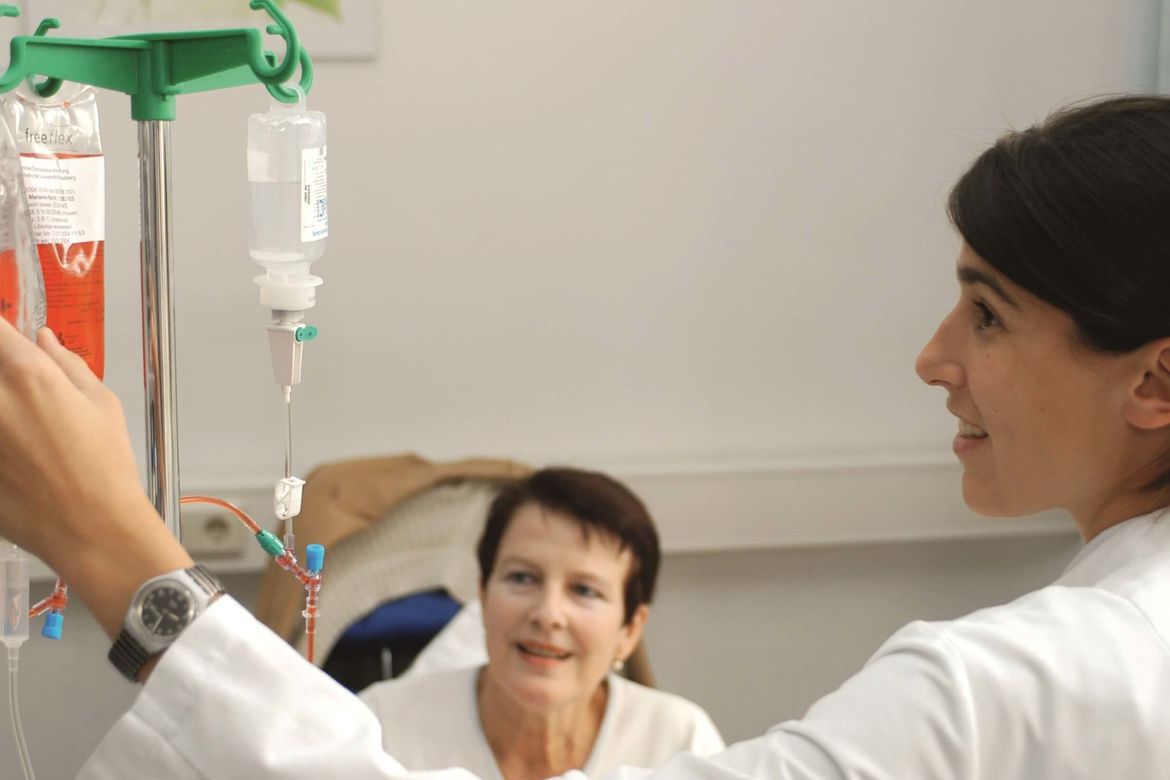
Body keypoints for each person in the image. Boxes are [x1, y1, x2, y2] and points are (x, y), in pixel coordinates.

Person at [1, 94, 1169, 778]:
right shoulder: (405, 714)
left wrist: (117, 549)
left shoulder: (1019, 684)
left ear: (1155, 381)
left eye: (990, 311)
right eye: (519, 578)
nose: (934, 357)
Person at [357, 469, 724, 780]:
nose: (547, 614)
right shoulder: (381, 729)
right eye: (521, 578)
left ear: (630, 629)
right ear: (483, 596)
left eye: (584, 590)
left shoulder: (680, 742)